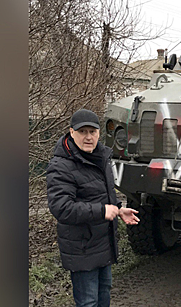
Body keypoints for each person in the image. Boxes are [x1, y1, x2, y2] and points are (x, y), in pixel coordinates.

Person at [46, 109, 140, 307]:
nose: (88, 137)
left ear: (99, 133)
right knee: (88, 302)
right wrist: (101, 211)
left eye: (93, 132)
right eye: (83, 132)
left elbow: (101, 196)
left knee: (103, 297)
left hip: (103, 245)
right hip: (82, 248)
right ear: (72, 133)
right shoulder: (61, 165)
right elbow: (61, 208)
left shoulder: (101, 158)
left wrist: (118, 209)